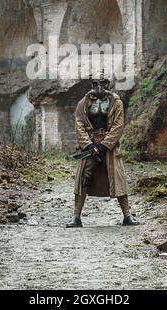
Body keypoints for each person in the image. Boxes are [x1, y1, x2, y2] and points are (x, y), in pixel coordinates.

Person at [66, 74, 139, 227]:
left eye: (102, 83)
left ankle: (127, 216)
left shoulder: (115, 102)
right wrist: (89, 145)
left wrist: (105, 145)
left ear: (107, 84)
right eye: (95, 83)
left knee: (118, 178)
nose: (99, 87)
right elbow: (79, 124)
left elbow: (118, 125)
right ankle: (76, 217)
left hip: (109, 147)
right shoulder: (84, 102)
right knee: (83, 179)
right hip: (90, 146)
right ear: (92, 84)